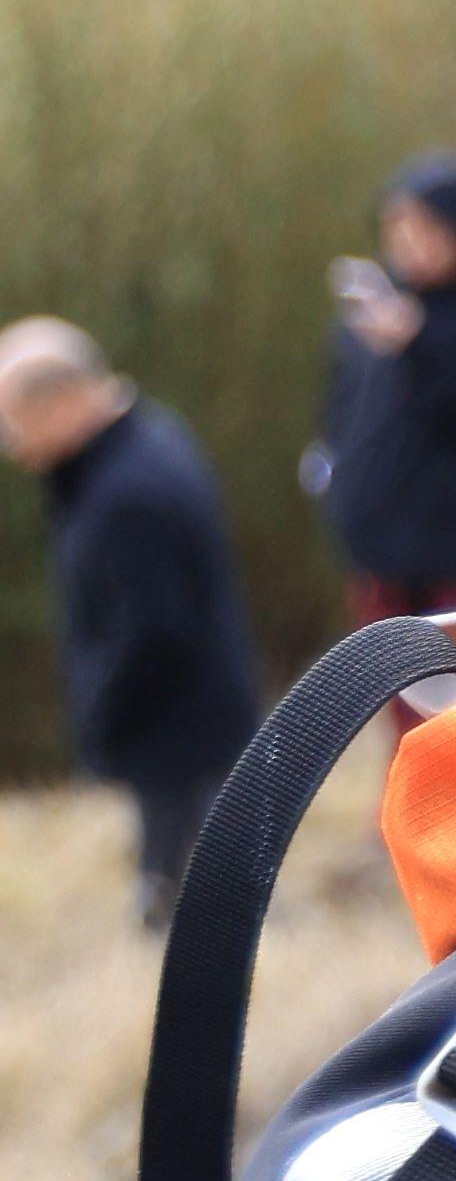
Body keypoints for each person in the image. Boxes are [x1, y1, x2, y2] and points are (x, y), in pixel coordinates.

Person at [3, 320, 251, 915]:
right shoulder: (144, 439)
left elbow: (152, 632)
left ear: (60, 403)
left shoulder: (126, 492)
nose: (10, 444)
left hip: (177, 729)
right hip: (192, 717)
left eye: (12, 420)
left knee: (192, 899)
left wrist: (101, 715)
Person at [301, 151, 456, 617]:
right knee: (389, 685)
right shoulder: (377, 308)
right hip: (380, 560)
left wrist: (418, 345)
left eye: (425, 228)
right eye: (397, 228)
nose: (409, 243)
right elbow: (340, 410)